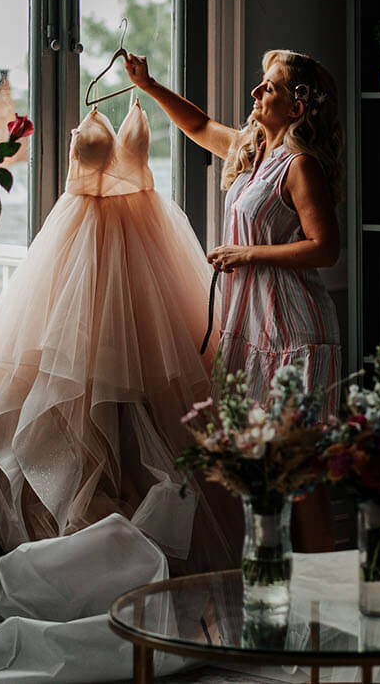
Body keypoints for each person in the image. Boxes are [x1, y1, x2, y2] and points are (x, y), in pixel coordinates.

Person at [0, 97, 237, 575]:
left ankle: (146, 555)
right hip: (77, 255)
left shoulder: (139, 104)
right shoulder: (88, 107)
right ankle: (83, 555)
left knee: (152, 414)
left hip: (142, 256)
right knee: (72, 406)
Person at [125, 47, 345, 551]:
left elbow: (326, 248)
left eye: (269, 87)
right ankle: (276, 593)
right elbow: (200, 127)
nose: (255, 92)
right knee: (260, 475)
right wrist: (149, 85)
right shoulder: (251, 151)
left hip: (295, 335)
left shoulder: (300, 166)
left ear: (296, 108)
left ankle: (322, 604)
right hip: (249, 331)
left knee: (301, 478)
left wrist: (249, 255)